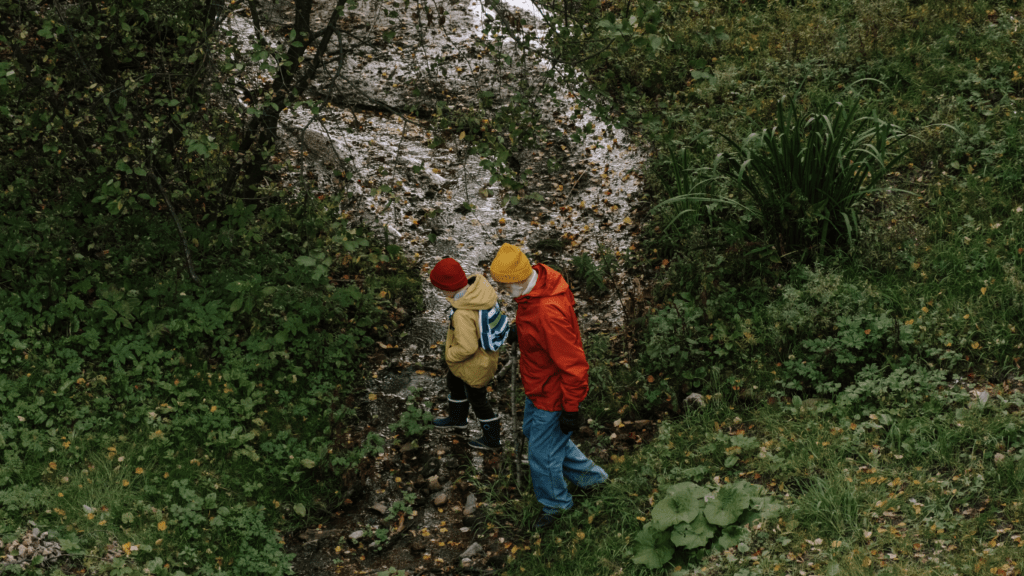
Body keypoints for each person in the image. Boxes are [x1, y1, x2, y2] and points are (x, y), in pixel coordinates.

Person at [489, 243, 608, 530]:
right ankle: (593, 480)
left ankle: (557, 508)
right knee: (541, 437)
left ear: (518, 280)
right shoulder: (540, 285)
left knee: (542, 455)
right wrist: (523, 333)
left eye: (504, 287)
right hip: (539, 385)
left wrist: (570, 408)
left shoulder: (546, 311)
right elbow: (540, 332)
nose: (503, 293)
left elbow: (573, 365)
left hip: (553, 394)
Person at [429, 257, 508, 451]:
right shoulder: (479, 291)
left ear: (448, 288)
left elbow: (467, 348)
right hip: (482, 358)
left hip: (475, 364)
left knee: (478, 400)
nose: (440, 292)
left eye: (440, 288)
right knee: (454, 382)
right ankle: (458, 420)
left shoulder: (463, 313)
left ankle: (492, 439)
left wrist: (450, 355)